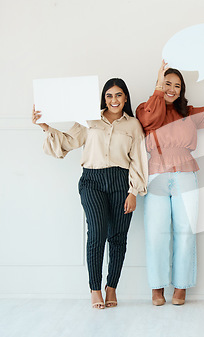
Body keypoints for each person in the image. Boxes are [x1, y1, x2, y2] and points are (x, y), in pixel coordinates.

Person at [32, 78, 148, 309]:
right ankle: (95, 289)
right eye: (109, 95)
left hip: (120, 182)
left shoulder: (133, 125)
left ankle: (111, 287)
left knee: (117, 238)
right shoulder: (90, 119)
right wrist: (45, 126)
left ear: (125, 98)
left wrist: (133, 191)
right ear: (104, 98)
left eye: (118, 95)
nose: (114, 100)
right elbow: (68, 142)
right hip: (92, 181)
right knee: (96, 233)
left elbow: (139, 160)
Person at [136, 58, 204, 306]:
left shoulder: (188, 114)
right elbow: (150, 119)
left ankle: (181, 287)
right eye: (167, 83)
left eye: (177, 86)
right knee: (156, 232)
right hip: (156, 174)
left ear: (182, 90)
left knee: (185, 231)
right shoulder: (144, 109)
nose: (172, 89)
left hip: (186, 174)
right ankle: (157, 287)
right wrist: (159, 84)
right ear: (159, 84)